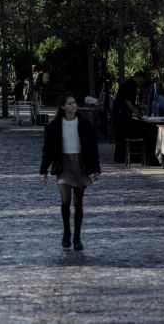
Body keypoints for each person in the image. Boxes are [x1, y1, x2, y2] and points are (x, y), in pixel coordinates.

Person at [40, 93, 100, 251]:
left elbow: (93, 148)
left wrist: (96, 169)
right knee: (65, 202)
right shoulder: (55, 126)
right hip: (64, 164)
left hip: (81, 163)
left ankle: (77, 237)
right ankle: (66, 232)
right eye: (69, 103)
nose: (73, 105)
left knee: (78, 202)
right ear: (62, 107)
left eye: (74, 103)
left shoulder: (85, 123)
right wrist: (43, 169)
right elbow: (48, 149)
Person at [111, 71, 146, 163]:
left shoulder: (129, 85)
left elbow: (129, 101)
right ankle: (120, 158)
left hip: (120, 113)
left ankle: (119, 158)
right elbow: (127, 101)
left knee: (120, 136)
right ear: (138, 77)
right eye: (141, 81)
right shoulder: (130, 86)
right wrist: (136, 113)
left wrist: (137, 107)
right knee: (121, 136)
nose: (140, 83)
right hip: (120, 114)